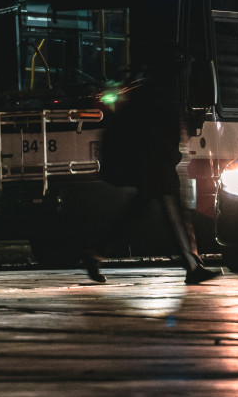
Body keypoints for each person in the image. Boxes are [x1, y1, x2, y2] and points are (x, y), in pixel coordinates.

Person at [84, 62, 222, 285]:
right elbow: (161, 134)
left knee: (134, 214)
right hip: (157, 167)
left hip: (151, 166)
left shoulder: (145, 93)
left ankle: (94, 254)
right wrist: (170, 158)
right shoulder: (159, 95)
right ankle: (192, 266)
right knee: (175, 215)